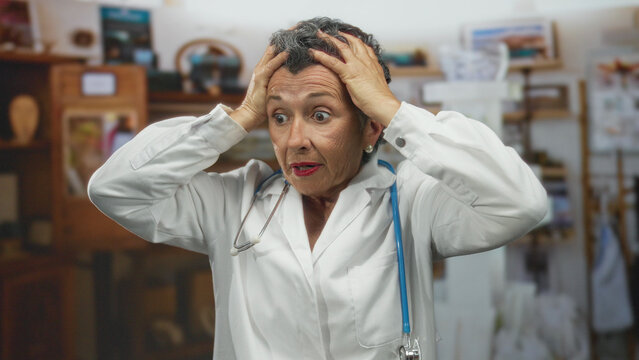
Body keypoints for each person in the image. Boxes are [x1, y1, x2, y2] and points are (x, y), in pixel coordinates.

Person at [88, 17, 548, 360]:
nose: (295, 140)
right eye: (279, 116)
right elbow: (115, 189)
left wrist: (393, 111)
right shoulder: (234, 203)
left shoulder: (410, 202)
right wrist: (239, 118)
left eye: (321, 114)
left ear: (371, 129)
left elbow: (521, 203)